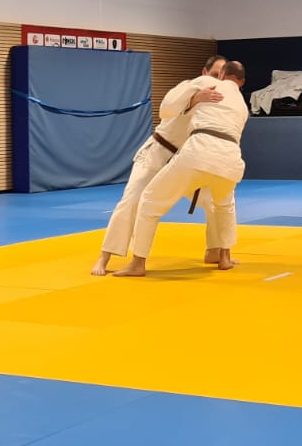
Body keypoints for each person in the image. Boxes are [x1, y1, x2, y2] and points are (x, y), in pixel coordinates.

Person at [92, 55, 228, 276]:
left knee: (215, 200)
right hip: (158, 152)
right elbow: (166, 111)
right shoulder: (187, 87)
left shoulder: (223, 99)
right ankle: (105, 257)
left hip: (188, 161)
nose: (217, 80)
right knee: (131, 200)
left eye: (222, 76)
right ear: (204, 72)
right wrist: (195, 99)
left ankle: (214, 250)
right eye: (214, 74)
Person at [117, 61, 249, 278]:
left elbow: (166, 109)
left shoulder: (206, 82)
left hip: (199, 152)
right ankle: (224, 256)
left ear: (222, 75)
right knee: (225, 205)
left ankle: (137, 263)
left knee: (149, 200)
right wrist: (196, 100)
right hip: (231, 160)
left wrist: (194, 98)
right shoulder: (243, 106)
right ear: (242, 82)